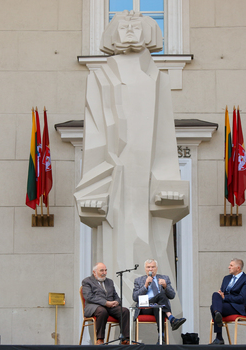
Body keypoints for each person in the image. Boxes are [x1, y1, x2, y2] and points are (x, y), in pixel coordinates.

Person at [74, 10, 189, 302]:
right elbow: (96, 136)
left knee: (154, 242)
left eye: (136, 25)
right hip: (115, 180)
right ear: (111, 34)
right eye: (122, 25)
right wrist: (93, 187)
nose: (128, 30)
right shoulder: (100, 78)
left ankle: (156, 320)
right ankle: (125, 317)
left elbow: (165, 135)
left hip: (149, 181)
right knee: (117, 244)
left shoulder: (157, 78)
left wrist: (167, 180)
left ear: (150, 32)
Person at [133, 259, 186, 342]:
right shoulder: (139, 280)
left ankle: (161, 338)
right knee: (161, 296)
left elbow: (172, 295)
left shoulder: (164, 278)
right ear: (145, 269)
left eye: (153, 267)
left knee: (159, 307)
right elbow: (135, 297)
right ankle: (171, 318)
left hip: (158, 307)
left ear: (156, 268)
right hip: (145, 307)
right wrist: (145, 285)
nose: (150, 269)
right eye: (148, 267)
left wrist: (165, 286)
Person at [82, 262, 130, 345]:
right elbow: (89, 297)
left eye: (105, 270)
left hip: (110, 306)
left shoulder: (109, 282)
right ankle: (100, 339)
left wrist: (117, 302)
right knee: (102, 311)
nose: (104, 273)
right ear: (94, 272)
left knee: (125, 311)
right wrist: (105, 303)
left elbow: (116, 295)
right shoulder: (87, 281)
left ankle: (125, 339)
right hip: (94, 306)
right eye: (101, 271)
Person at [209, 258, 246, 345]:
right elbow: (221, 293)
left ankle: (219, 337)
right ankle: (218, 313)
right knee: (215, 294)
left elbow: (241, 298)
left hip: (236, 307)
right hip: (225, 306)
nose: (228, 267)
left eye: (231, 265)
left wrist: (225, 298)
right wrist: (221, 296)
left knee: (213, 307)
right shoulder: (226, 278)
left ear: (238, 268)